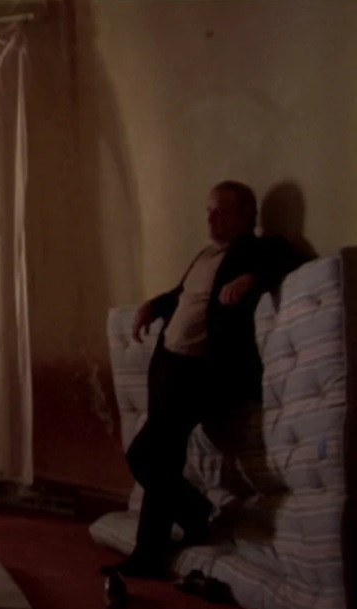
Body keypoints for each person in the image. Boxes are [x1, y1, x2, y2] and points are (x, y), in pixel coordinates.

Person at [103, 180, 302, 579]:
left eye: (221, 212)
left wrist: (249, 280)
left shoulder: (255, 250)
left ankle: (193, 513)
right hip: (170, 365)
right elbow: (184, 295)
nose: (211, 219)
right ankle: (153, 552)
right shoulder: (206, 255)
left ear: (247, 216)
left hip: (203, 372)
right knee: (162, 457)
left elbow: (288, 258)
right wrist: (152, 306)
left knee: (145, 454)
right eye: (209, 211)